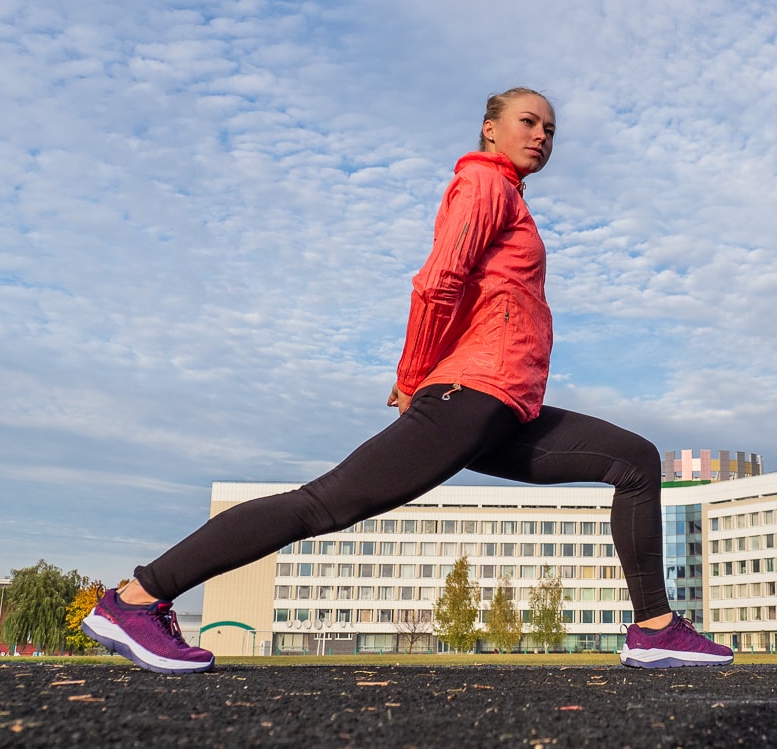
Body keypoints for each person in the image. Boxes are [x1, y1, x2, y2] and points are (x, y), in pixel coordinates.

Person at [83, 88, 733, 674]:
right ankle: (135, 597)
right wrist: (412, 376)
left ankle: (654, 629)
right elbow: (436, 282)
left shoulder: (508, 196)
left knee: (636, 460)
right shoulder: (485, 186)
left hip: (504, 408)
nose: (542, 135)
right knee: (321, 504)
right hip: (468, 398)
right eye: (528, 121)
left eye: (551, 129)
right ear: (489, 129)